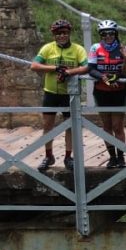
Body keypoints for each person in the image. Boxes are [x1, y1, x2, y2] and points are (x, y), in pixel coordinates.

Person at [31, 19, 89, 171]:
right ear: (54, 35)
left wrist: (69, 72)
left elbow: (86, 67)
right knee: (47, 125)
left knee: (70, 126)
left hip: (69, 94)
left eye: (64, 33)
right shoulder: (47, 48)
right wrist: (55, 68)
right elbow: (34, 65)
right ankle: (48, 156)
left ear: (69, 33)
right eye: (58, 34)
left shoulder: (78, 49)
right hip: (50, 93)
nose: (62, 36)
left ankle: (68, 157)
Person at [88, 19, 126, 169]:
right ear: (100, 35)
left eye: (111, 33)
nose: (108, 36)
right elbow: (91, 69)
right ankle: (112, 157)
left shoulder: (123, 48)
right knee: (106, 125)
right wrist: (103, 77)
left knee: (117, 126)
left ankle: (121, 157)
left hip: (120, 91)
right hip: (102, 91)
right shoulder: (95, 48)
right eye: (104, 34)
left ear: (115, 33)